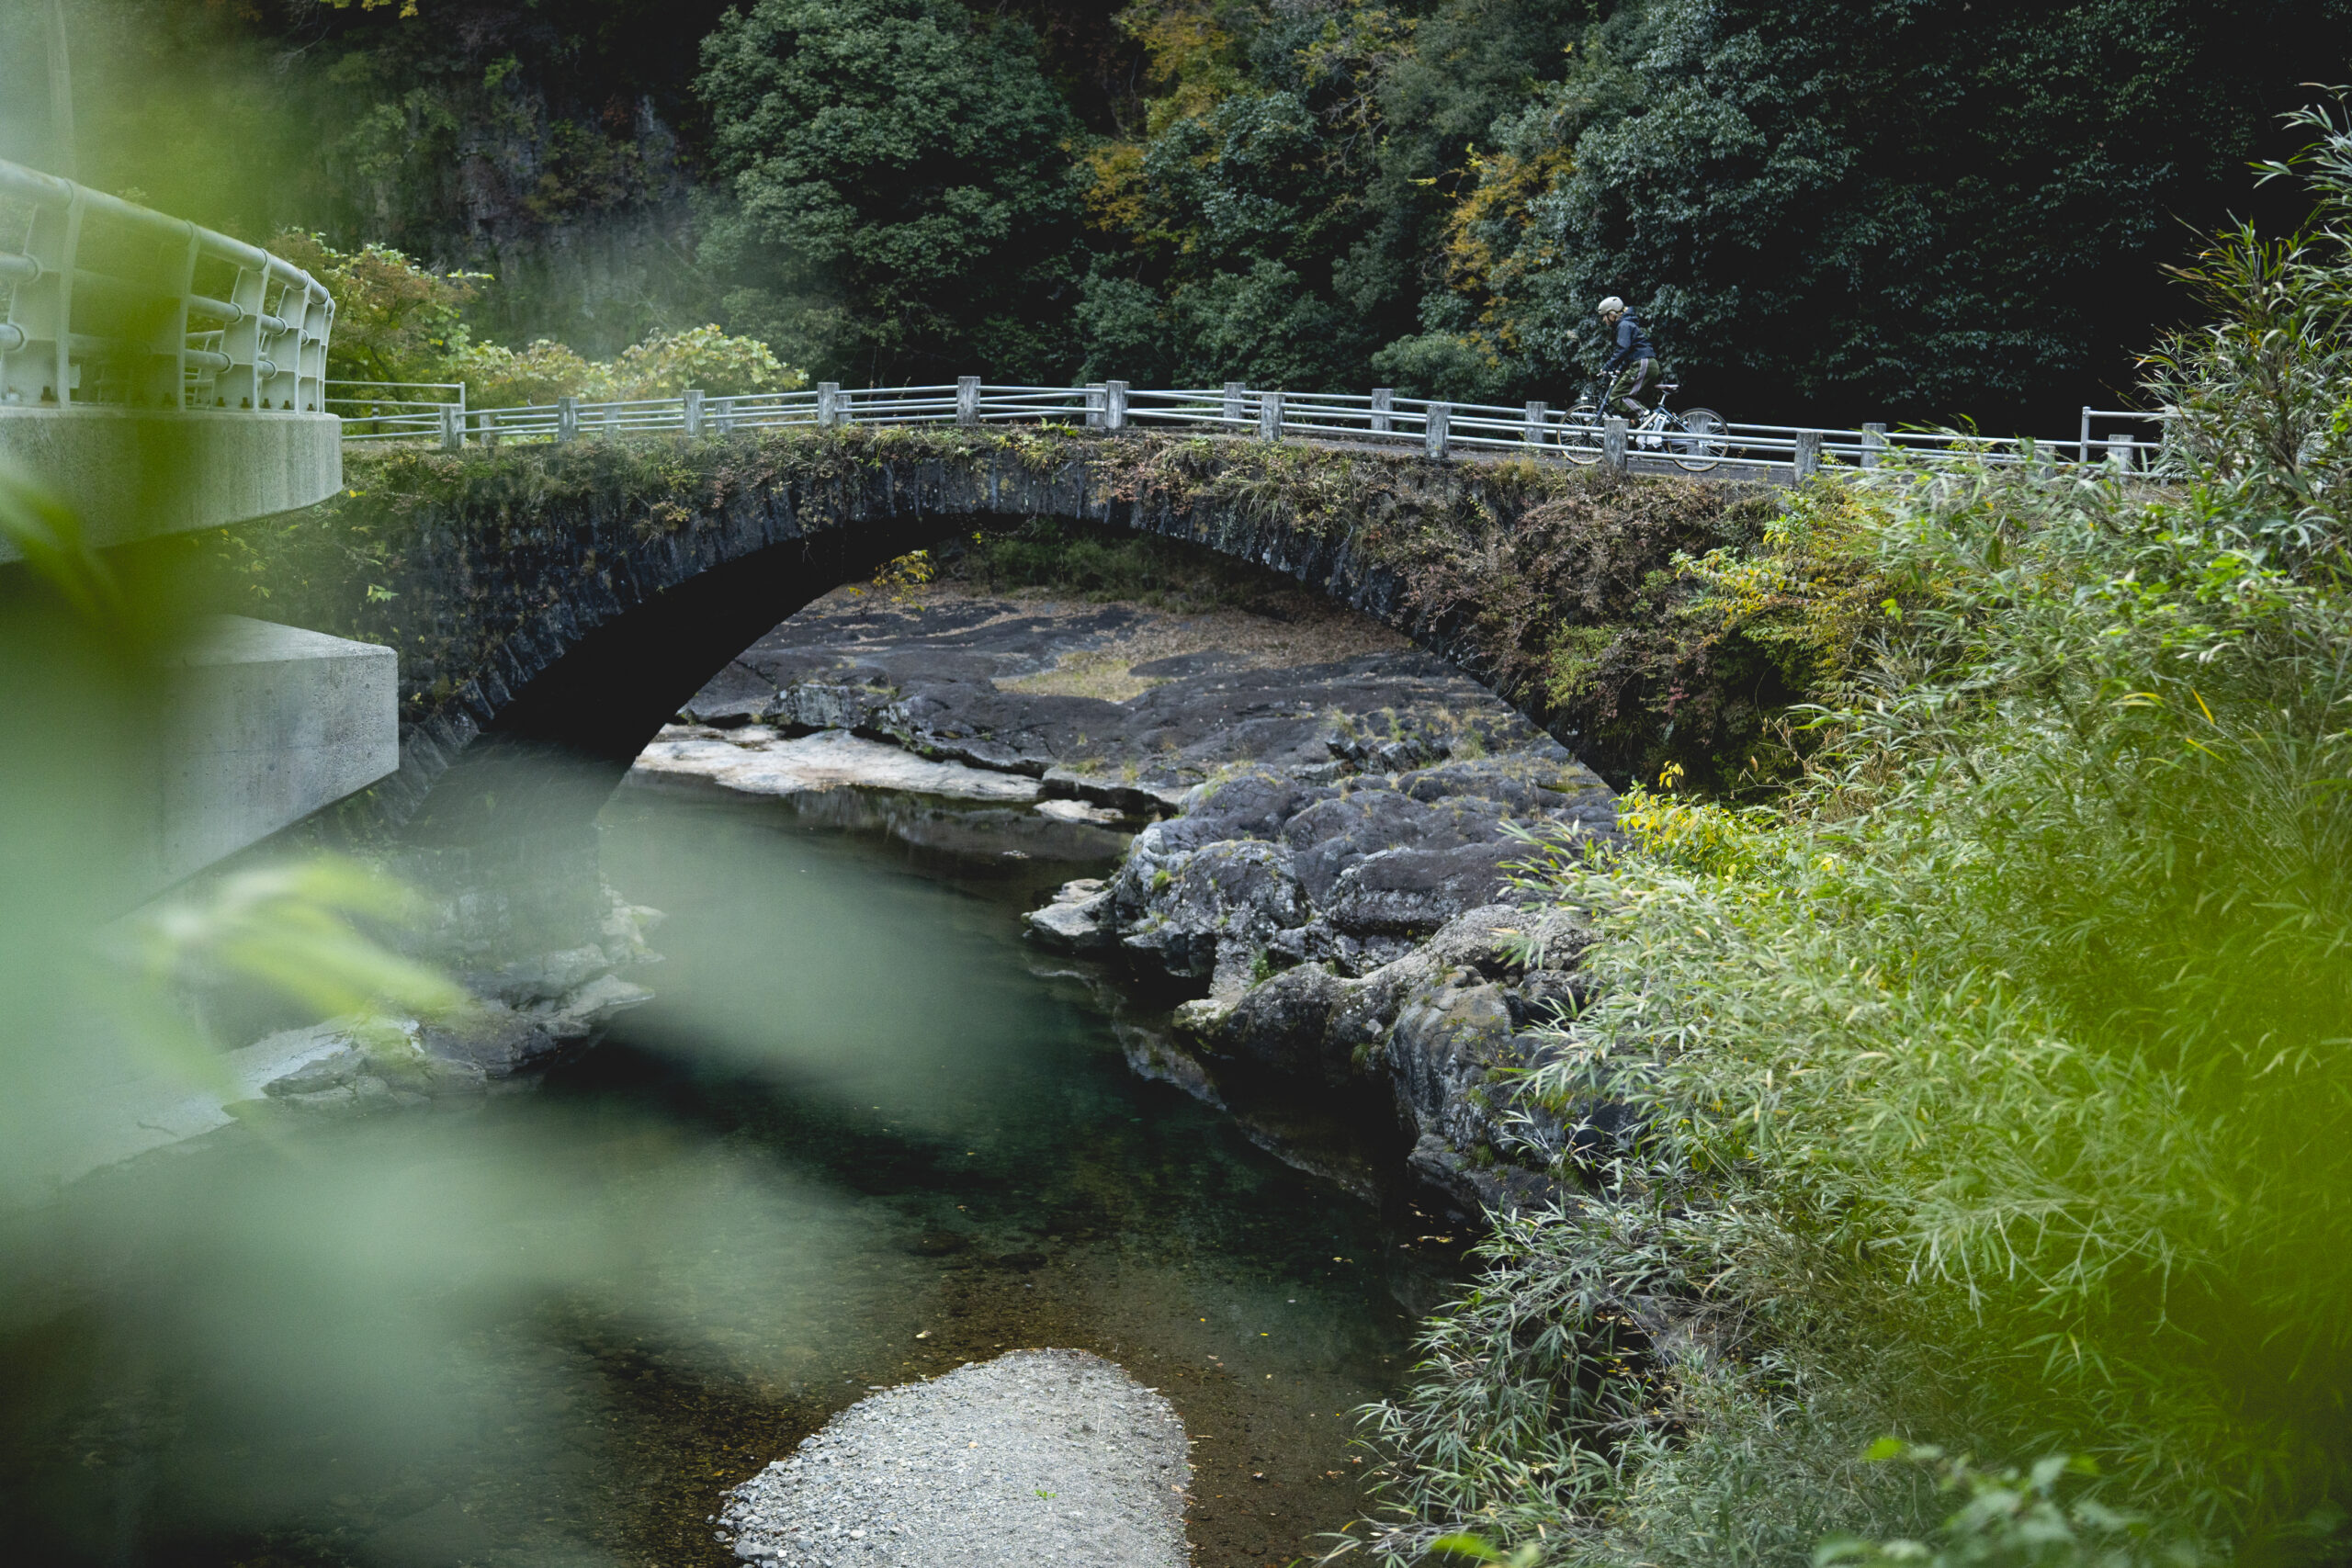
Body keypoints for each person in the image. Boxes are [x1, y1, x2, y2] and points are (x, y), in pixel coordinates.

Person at [1595, 296, 1658, 417]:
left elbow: (1623, 349)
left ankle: (1647, 416)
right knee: (1629, 397)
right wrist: (1620, 368)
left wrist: (1607, 367)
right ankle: (1643, 424)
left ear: (1612, 314)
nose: (1603, 319)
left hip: (1643, 364)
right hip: (1646, 363)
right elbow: (1630, 351)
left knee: (1617, 395)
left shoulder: (1623, 325)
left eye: (1604, 315)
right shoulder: (1627, 324)